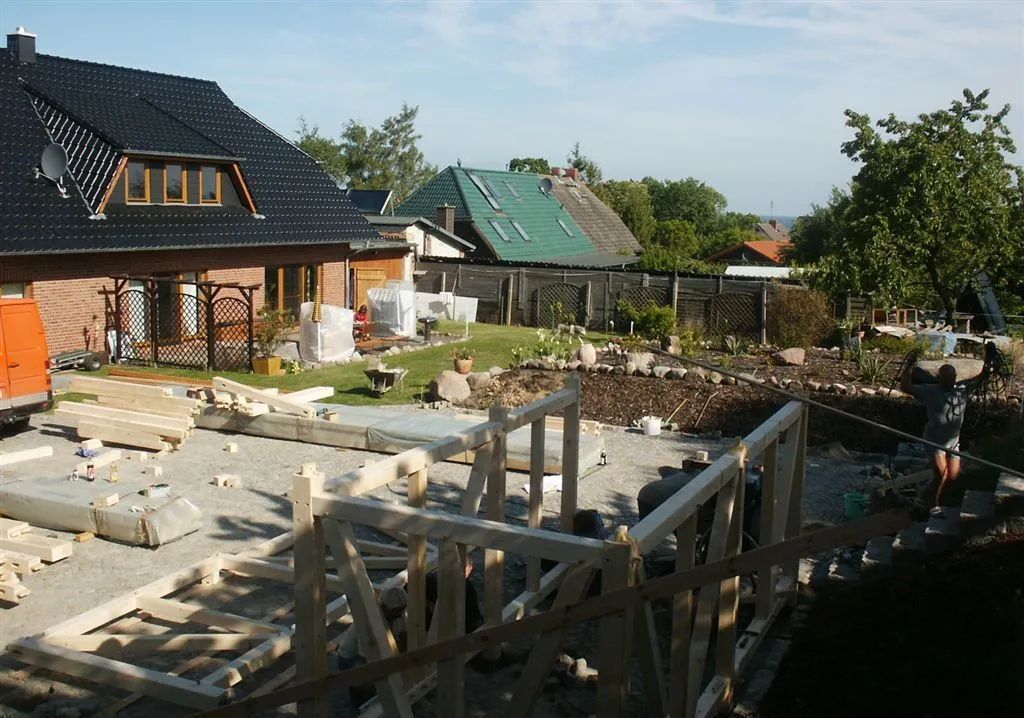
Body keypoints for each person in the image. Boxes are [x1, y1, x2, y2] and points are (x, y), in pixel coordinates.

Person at [901, 360, 986, 510]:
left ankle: (933, 496)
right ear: (939, 378)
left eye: (952, 378)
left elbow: (982, 378)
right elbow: (906, 387)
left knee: (953, 476)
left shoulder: (962, 390)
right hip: (934, 441)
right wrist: (909, 368)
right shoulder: (930, 390)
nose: (949, 382)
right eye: (946, 378)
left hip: (953, 442)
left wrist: (989, 363)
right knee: (941, 474)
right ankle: (928, 503)